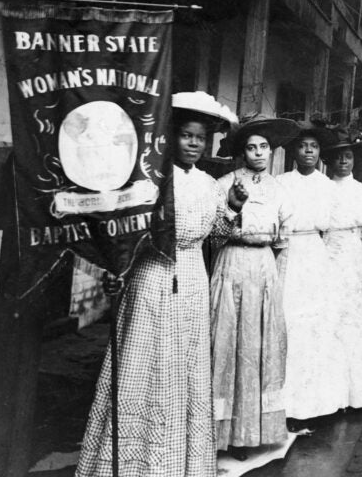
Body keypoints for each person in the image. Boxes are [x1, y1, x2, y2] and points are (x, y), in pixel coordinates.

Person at [77, 91, 240, 477]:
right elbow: (123, 229)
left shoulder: (209, 184)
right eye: (186, 135)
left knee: (184, 366)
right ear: (172, 136)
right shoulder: (151, 178)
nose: (194, 144)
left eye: (200, 138)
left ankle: (179, 464)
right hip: (152, 275)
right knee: (143, 360)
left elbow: (218, 233)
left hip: (193, 279)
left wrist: (233, 206)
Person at [210, 113, 299, 460]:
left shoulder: (280, 190)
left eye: (264, 147)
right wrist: (235, 206)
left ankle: (254, 432)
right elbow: (215, 231)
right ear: (242, 152)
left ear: (271, 151)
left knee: (258, 345)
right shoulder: (225, 183)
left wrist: (276, 282)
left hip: (264, 268)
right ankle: (224, 432)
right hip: (232, 262)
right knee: (227, 343)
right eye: (251, 147)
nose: (259, 153)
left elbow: (285, 240)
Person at [277, 121, 349, 428]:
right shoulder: (279, 183)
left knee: (317, 328)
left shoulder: (328, 187)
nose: (308, 151)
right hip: (287, 256)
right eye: (303, 146)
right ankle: (285, 406)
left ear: (320, 153)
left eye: (314, 146)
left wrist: (328, 267)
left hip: (316, 259)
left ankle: (316, 405)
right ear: (293, 151)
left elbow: (335, 232)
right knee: (289, 325)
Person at [322, 127, 362, 409]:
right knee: (329, 322)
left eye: (348, 157)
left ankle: (354, 395)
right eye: (338, 158)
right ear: (329, 161)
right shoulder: (323, 188)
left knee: (353, 322)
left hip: (354, 258)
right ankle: (331, 396)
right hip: (328, 256)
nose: (343, 162)